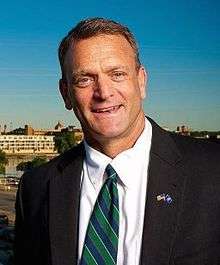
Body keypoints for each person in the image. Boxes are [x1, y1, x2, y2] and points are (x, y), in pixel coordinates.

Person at [14, 18, 220, 265]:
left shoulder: (213, 171)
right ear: (66, 93)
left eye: (117, 74)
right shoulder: (35, 188)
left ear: (141, 81)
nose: (104, 92)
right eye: (84, 79)